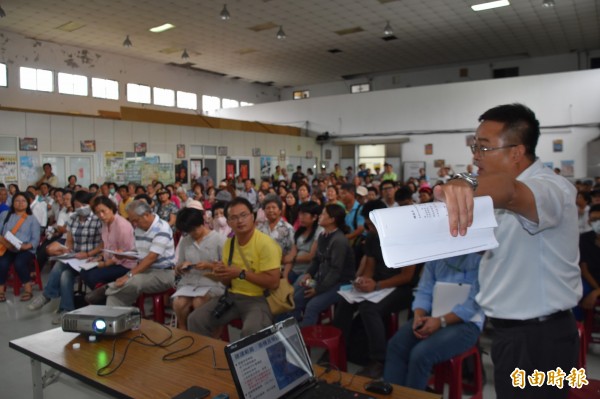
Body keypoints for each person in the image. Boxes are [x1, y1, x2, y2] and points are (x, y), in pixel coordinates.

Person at [434, 103, 581, 399]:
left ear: (516, 151)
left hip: (541, 340)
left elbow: (511, 191)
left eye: (484, 147)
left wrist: (467, 181)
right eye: (475, 146)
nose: (475, 156)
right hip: (510, 335)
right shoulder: (494, 196)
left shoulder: (551, 188)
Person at [333, 200, 417, 379]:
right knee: (346, 300)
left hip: (402, 288)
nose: (370, 228)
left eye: (373, 224)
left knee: (369, 308)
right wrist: (364, 280)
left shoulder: (407, 237)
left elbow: (407, 276)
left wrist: (376, 285)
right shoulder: (372, 237)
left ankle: (379, 360)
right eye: (368, 224)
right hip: (379, 284)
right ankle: (339, 348)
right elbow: (370, 266)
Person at [383, 253, 484, 391]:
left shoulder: (480, 261)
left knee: (421, 354)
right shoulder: (436, 258)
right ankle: (394, 394)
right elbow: (424, 291)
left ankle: (413, 394)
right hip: (434, 315)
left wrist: (440, 321)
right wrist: (418, 315)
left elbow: (472, 305)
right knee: (396, 345)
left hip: (467, 324)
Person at [187, 197, 281, 338]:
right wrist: (222, 274)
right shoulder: (229, 244)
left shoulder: (266, 244)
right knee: (195, 319)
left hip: (258, 299)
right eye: (234, 218)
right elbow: (227, 282)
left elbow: (273, 283)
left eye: (244, 215)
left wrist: (241, 273)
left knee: (251, 332)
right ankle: (208, 357)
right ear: (229, 222)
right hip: (231, 297)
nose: (240, 221)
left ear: (253, 216)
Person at [28, 191, 102, 323]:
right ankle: (66, 310)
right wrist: (67, 250)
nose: (81, 208)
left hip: (92, 257)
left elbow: (103, 244)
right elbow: (70, 239)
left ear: (90, 204)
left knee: (60, 267)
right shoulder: (73, 218)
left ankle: (47, 296)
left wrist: (88, 254)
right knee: (64, 274)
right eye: (77, 205)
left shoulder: (98, 219)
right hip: (76, 256)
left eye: (84, 205)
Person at [100, 200, 175, 307]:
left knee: (133, 281)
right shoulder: (139, 228)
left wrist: (129, 275)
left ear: (146, 215)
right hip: (144, 270)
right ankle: (114, 322)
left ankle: (106, 289)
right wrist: (124, 255)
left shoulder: (162, 228)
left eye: (136, 220)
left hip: (164, 273)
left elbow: (151, 257)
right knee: (115, 296)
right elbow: (138, 254)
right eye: (132, 221)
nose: (134, 224)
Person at [293, 204, 355, 327]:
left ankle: (306, 337)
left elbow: (336, 271)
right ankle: (294, 327)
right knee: (297, 296)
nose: (320, 216)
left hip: (341, 284)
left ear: (332, 219)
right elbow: (316, 260)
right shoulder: (323, 236)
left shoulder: (338, 241)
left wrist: (317, 289)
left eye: (323, 214)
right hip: (324, 279)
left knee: (312, 305)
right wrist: (308, 274)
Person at [172, 206, 226, 330]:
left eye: (194, 229)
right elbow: (178, 266)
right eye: (188, 231)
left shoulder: (219, 239)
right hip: (190, 283)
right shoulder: (186, 241)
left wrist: (209, 265)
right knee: (178, 303)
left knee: (199, 302)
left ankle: (204, 332)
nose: (192, 233)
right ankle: (183, 328)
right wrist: (181, 267)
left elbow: (227, 267)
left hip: (212, 283)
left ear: (202, 223)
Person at [80, 196, 136, 292]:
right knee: (84, 271)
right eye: (97, 213)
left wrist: (105, 264)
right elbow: (108, 246)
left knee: (93, 275)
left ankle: (104, 297)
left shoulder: (122, 225)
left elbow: (124, 253)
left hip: (125, 265)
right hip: (111, 261)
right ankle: (103, 294)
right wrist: (99, 258)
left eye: (103, 211)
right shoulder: (105, 223)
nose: (101, 215)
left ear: (111, 209)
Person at [0, 192, 41, 302]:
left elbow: (36, 239)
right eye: (17, 201)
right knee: (2, 263)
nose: (20, 203)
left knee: (19, 263)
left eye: (23, 201)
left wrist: (26, 246)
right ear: (12, 203)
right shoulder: (5, 215)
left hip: (25, 249)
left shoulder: (32, 219)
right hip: (7, 247)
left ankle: (28, 289)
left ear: (27, 203)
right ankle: (1, 290)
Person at [257, 194, 295, 262]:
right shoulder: (259, 228)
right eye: (268, 208)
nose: (271, 210)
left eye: (274, 207)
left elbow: (291, 252)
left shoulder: (288, 228)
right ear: (264, 211)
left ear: (280, 210)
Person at [578, 204, 600, 310]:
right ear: (589, 222)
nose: (598, 223)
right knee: (578, 292)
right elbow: (584, 269)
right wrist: (596, 289)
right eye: (594, 220)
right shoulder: (584, 239)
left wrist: (597, 292)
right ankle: (580, 324)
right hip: (591, 280)